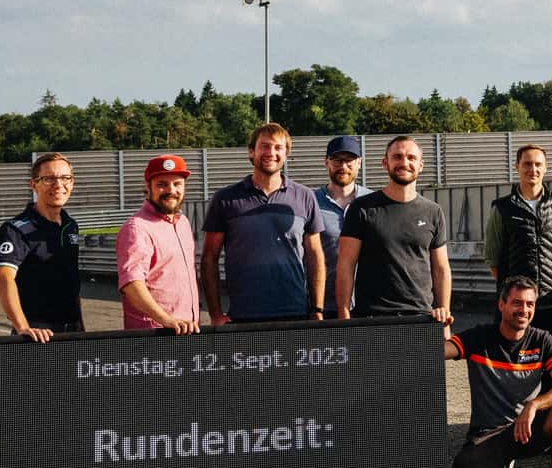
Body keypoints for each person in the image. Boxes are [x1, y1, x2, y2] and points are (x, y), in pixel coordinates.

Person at [445, 277, 552, 468]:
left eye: (530, 304)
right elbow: (438, 351)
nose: (524, 310)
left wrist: (534, 405)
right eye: (517, 303)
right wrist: (437, 324)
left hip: (525, 430)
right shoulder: (479, 337)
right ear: (501, 305)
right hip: (487, 437)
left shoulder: (542, 340)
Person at [200, 123, 324, 325]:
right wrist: (215, 313)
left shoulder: (305, 196)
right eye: (264, 146)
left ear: (286, 154)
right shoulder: (225, 199)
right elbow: (209, 258)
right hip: (243, 315)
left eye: (278, 147)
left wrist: (317, 309)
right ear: (252, 151)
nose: (271, 153)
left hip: (295, 312)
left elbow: (315, 255)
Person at [335, 136, 451, 323]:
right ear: (385, 163)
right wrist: (344, 315)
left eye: (411, 158)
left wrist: (444, 312)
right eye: (397, 157)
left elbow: (441, 269)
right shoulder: (362, 208)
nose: (404, 163)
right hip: (372, 317)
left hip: (421, 317)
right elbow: (346, 264)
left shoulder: (433, 211)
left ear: (421, 165)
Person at [0, 152, 83, 341]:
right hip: (37, 334)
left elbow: (71, 282)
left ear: (72, 182)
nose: (58, 185)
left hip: (73, 330)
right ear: (34, 185)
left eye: (65, 178)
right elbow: (4, 278)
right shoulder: (15, 229)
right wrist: (23, 328)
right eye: (49, 179)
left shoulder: (70, 225)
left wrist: (80, 327)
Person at [116, 155, 200, 334]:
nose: (171, 190)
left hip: (186, 330)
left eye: (177, 184)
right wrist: (166, 319)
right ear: (148, 187)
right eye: (162, 184)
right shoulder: (137, 228)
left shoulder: (183, 223)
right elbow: (132, 284)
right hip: (154, 334)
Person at [486, 144, 552, 309]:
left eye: (538, 164)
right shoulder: (502, 208)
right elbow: (493, 259)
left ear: (545, 167)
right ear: (517, 166)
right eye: (527, 164)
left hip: (550, 301)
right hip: (515, 305)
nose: (533, 169)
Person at [315, 136, 370, 318]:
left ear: (359, 163)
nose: (343, 166)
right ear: (326, 162)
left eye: (349, 160)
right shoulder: (311, 202)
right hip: (324, 306)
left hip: (367, 304)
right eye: (337, 160)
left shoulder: (373, 203)